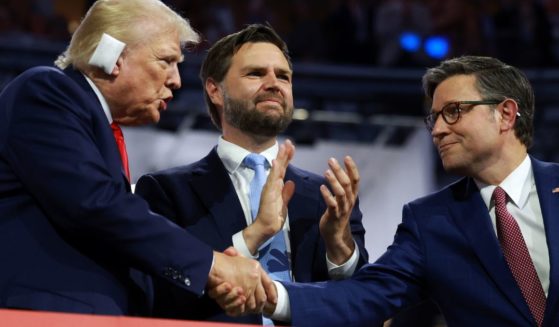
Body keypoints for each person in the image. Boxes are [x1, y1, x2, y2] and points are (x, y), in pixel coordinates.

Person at [212, 55, 559, 327]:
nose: (437, 130)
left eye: (453, 112)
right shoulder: (430, 220)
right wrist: (274, 295)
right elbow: (368, 295)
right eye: (434, 118)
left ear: (506, 114)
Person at [0, 0, 285, 316]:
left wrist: (238, 249)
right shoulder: (45, 91)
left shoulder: (98, 129)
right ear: (114, 58)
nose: (176, 80)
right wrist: (212, 266)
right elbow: (98, 206)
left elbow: (125, 246)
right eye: (166, 61)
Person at [134, 24, 369, 324]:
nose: (274, 83)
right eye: (256, 73)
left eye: (283, 76)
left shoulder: (328, 196)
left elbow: (363, 301)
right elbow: (161, 295)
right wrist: (254, 235)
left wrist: (339, 244)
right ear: (215, 90)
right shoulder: (166, 192)